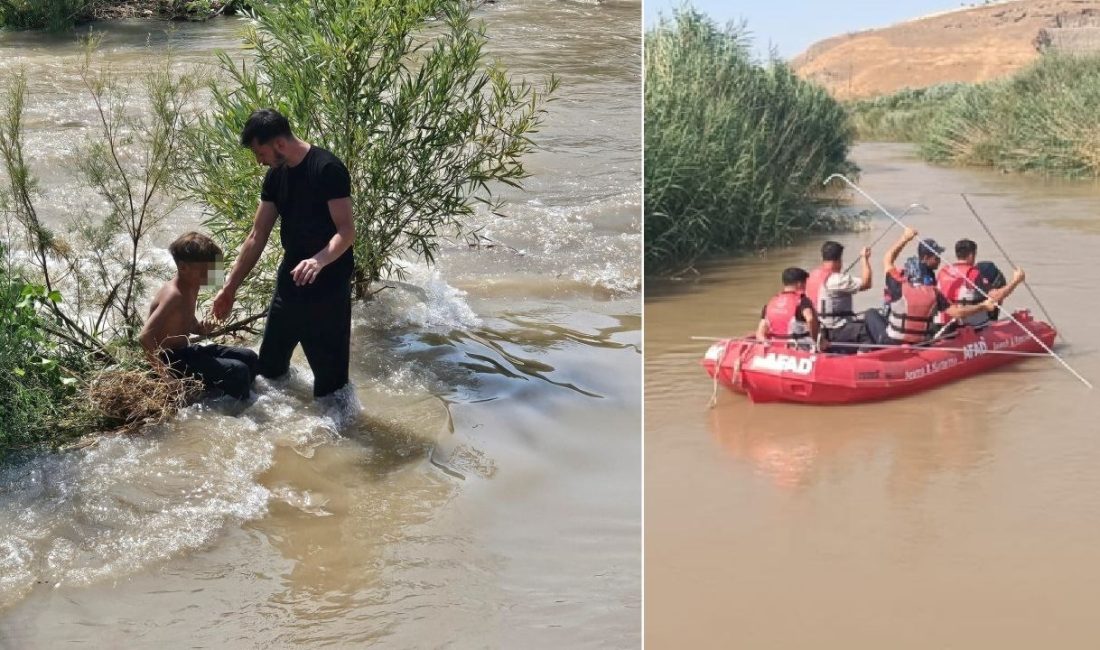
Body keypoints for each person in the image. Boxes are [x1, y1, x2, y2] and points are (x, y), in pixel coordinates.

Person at [212, 108, 356, 399]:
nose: (259, 161)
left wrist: (318, 260)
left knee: (331, 388)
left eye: (260, 152)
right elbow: (257, 235)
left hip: (329, 284)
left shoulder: (327, 168)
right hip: (290, 281)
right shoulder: (275, 176)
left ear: (279, 143)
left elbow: (347, 231)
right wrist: (229, 287)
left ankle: (339, 427)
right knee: (269, 371)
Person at [139, 232, 259, 400]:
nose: (210, 276)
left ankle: (243, 395)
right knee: (238, 371)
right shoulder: (173, 295)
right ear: (183, 267)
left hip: (187, 352)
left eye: (211, 270)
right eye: (204, 271)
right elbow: (145, 336)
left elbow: (186, 324)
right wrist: (166, 376)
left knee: (249, 357)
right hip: (171, 360)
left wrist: (203, 327)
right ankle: (238, 406)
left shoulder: (191, 286)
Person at [863, 228, 997, 346]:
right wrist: (984, 306)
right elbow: (957, 312)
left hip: (893, 341)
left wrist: (904, 238)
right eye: (936, 257)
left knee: (870, 313)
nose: (939, 260)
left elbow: (887, 259)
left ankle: (866, 349)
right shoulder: (933, 292)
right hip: (921, 340)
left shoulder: (898, 285)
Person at [936, 238, 1025, 327]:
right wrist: (1016, 280)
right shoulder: (973, 273)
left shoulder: (943, 271)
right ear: (971, 255)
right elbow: (996, 296)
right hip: (966, 325)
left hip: (941, 323)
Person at [805, 240, 872, 349]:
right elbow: (866, 283)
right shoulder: (836, 280)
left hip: (819, 328)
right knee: (866, 332)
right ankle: (863, 355)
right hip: (834, 329)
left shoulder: (812, 275)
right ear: (839, 259)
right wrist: (864, 259)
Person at [755, 267, 820, 349]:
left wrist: (766, 344)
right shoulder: (802, 301)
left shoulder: (771, 302)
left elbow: (760, 333)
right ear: (799, 284)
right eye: (805, 283)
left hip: (775, 349)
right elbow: (810, 319)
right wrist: (817, 340)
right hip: (797, 349)